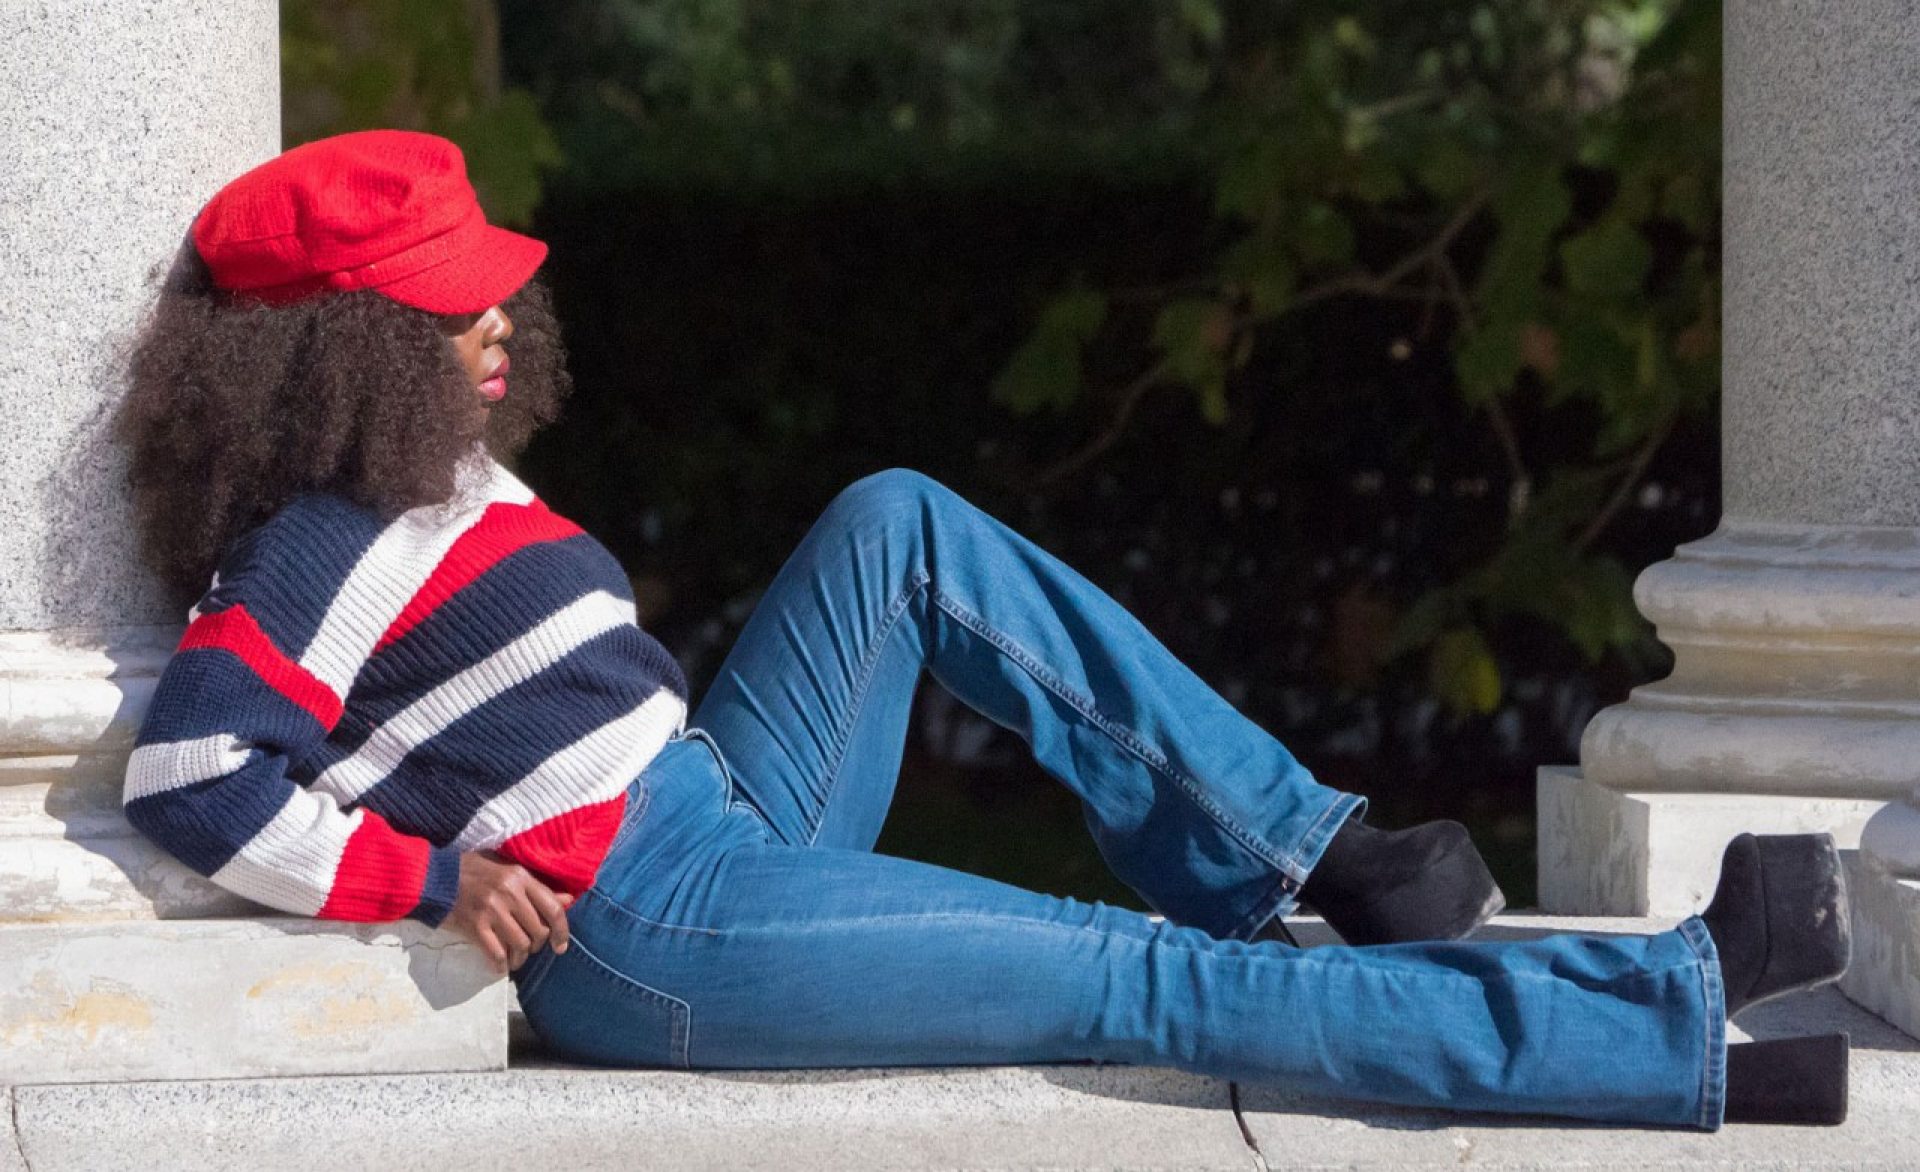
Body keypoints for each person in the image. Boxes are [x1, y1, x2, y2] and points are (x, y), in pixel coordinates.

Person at [111, 129, 1851, 1131]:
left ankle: (1311, 848)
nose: (500, 313)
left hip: (712, 805)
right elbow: (194, 769)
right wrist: (428, 883)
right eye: (448, 303)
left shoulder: (438, 476)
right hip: (651, 929)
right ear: (331, 350)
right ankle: (1660, 1017)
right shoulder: (316, 541)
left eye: (487, 279)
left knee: (901, 524)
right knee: (1145, 982)